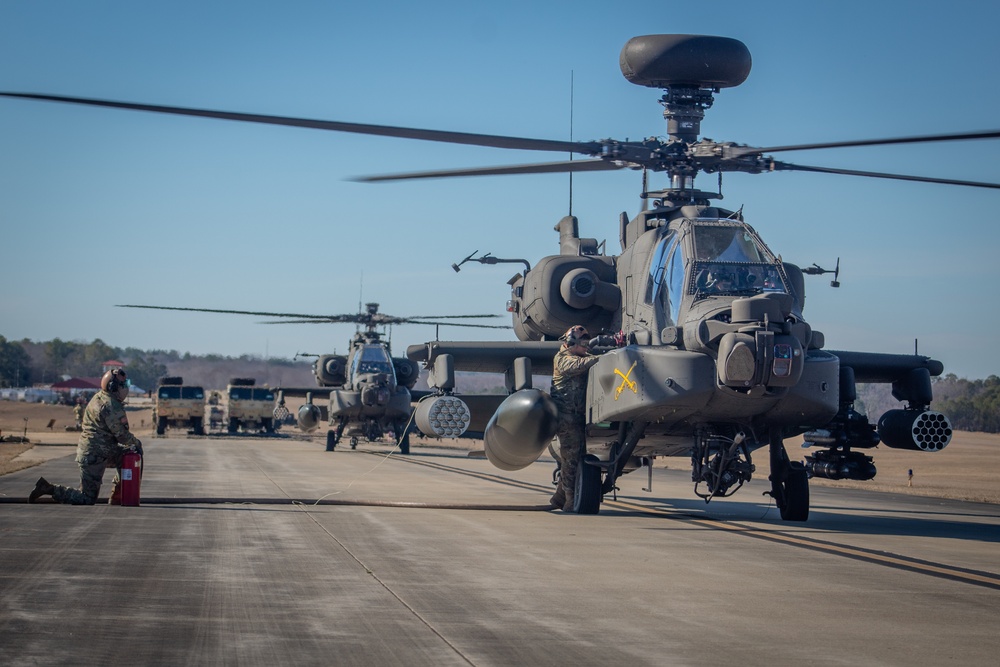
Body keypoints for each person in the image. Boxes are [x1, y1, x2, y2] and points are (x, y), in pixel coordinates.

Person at [28, 369, 143, 505]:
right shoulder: (112, 405)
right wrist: (137, 442)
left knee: (128, 455)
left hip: (99, 451)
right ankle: (49, 489)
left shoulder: (99, 397)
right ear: (113, 387)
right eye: (124, 385)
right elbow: (123, 437)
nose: (126, 388)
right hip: (94, 455)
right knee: (86, 498)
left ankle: (118, 495)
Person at [549, 325, 602, 512]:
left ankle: (559, 497)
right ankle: (570, 500)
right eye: (583, 342)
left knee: (574, 457)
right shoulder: (563, 358)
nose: (587, 346)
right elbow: (575, 366)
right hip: (566, 418)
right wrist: (600, 360)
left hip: (576, 417)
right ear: (571, 343)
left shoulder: (582, 357)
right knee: (571, 459)